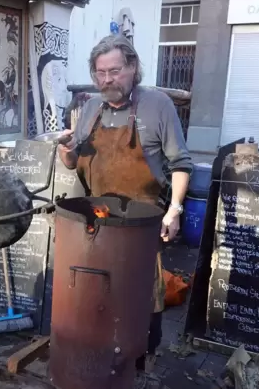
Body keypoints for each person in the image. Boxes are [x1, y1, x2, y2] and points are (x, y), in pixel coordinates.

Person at [58, 35, 191, 370]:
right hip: (97, 220)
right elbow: (74, 163)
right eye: (100, 72)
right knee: (98, 291)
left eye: (115, 71)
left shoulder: (157, 105)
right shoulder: (90, 108)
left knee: (141, 293)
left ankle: (141, 356)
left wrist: (174, 210)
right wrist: (65, 151)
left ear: (132, 67)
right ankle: (96, 347)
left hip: (142, 221)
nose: (107, 80)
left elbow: (180, 164)